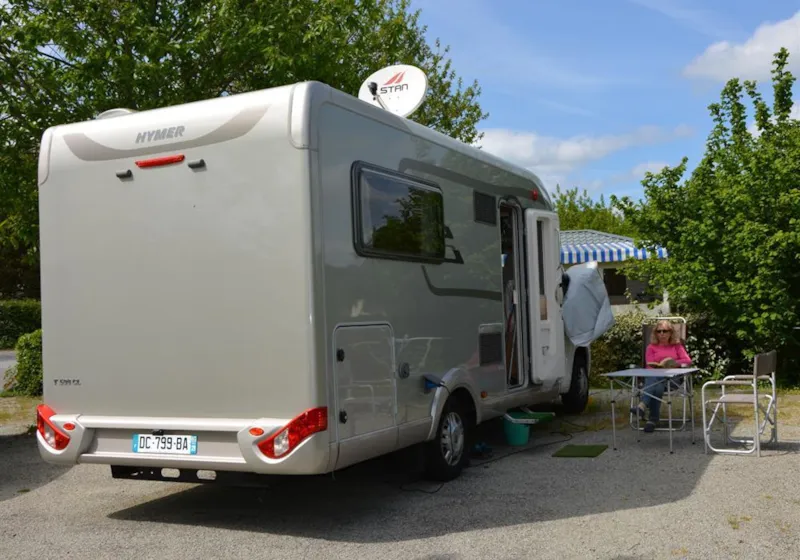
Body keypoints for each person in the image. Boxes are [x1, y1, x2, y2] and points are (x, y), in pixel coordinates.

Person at [631, 320, 692, 433]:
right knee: (656, 384)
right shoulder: (651, 347)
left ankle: (643, 406)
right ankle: (652, 419)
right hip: (656, 378)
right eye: (659, 331)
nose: (662, 333)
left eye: (665, 331)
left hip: (673, 380)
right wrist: (659, 369)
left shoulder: (676, 346)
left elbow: (687, 361)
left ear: (671, 332)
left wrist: (674, 363)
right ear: (655, 333)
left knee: (654, 382)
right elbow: (649, 365)